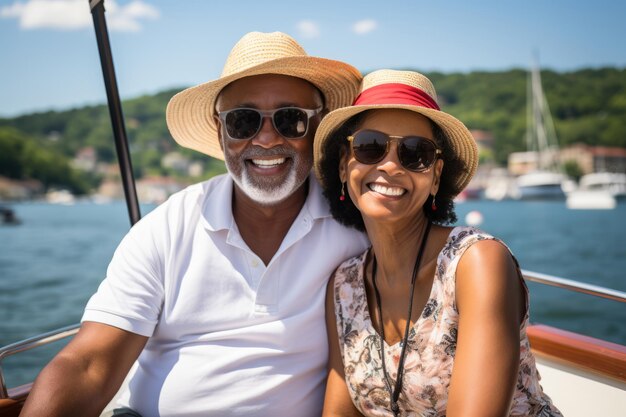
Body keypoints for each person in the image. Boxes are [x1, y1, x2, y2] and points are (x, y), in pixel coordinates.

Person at [20, 32, 369, 417]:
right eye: (242, 121)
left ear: (318, 128)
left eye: (291, 120)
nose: (267, 139)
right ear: (220, 131)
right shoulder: (168, 227)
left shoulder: (359, 225)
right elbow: (88, 364)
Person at [314, 69, 562, 416]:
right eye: (370, 147)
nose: (390, 165)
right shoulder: (344, 286)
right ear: (344, 164)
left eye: (415, 153)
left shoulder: (476, 263)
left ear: (436, 176)